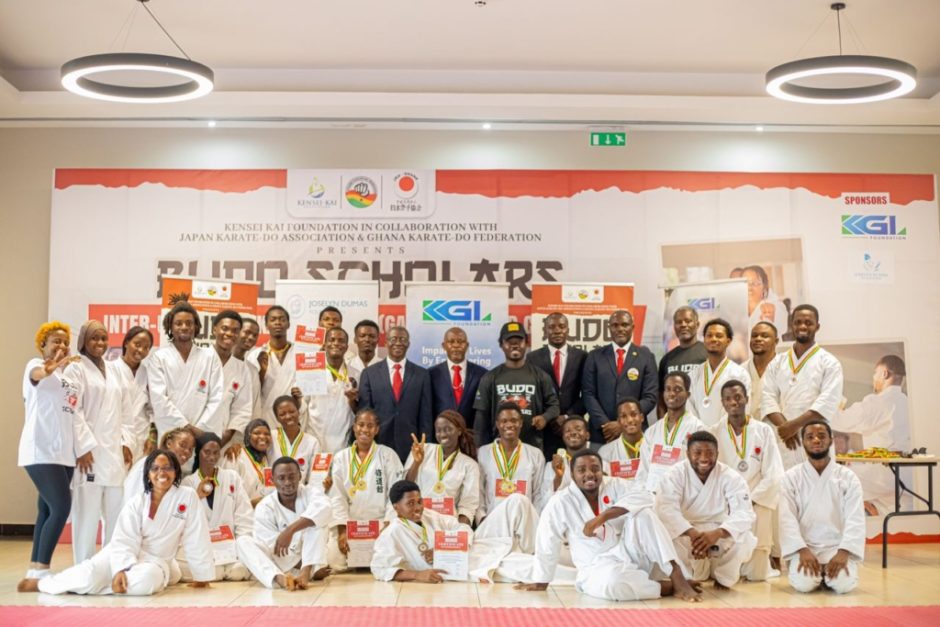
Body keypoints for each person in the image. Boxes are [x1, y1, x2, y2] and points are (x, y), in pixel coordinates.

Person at [519, 450, 703, 602]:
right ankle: (666, 587)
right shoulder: (561, 501)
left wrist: (604, 516)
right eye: (581, 470)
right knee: (612, 584)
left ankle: (677, 575)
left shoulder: (615, 485)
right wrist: (541, 580)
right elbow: (547, 538)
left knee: (644, 514)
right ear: (572, 475)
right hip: (596, 568)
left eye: (595, 469)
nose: (589, 474)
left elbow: (647, 496)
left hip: (630, 554)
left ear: (602, 471)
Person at [22, 450, 213, 596]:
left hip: (155, 561)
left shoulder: (187, 497)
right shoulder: (137, 501)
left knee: (147, 580)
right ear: (147, 475)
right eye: (155, 468)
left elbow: (196, 536)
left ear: (176, 471)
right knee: (89, 574)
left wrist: (201, 576)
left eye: (167, 468)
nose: (161, 473)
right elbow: (124, 538)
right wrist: (121, 568)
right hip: (122, 552)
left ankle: (104, 587)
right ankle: (44, 583)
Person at [371, 479, 542, 584]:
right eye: (410, 503)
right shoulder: (391, 533)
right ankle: (542, 559)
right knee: (533, 567)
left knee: (518, 500)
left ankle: (538, 550)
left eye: (419, 501)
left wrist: (443, 547)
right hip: (469, 566)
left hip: (474, 548)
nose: (418, 508)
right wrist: (417, 575)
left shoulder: (429, 515)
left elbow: (463, 528)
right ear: (396, 507)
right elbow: (379, 568)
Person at [17, 321, 84, 587]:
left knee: (45, 509)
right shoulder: (35, 365)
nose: (61, 345)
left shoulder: (68, 378)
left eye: (65, 341)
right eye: (55, 341)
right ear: (43, 344)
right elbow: (37, 374)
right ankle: (44, 568)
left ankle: (34, 570)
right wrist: (47, 368)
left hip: (64, 453)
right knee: (61, 507)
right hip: (41, 450)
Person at [65, 320, 134, 563]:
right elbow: (73, 411)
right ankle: (83, 566)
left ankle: (109, 565)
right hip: (89, 455)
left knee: (115, 514)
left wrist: (127, 443)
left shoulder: (115, 370)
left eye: (103, 338)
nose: (100, 343)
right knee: (87, 515)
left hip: (114, 454)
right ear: (83, 341)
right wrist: (82, 447)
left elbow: (127, 411)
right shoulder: (75, 369)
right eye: (94, 338)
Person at [655, 431, 756, 590]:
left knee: (746, 537)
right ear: (687, 454)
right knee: (666, 536)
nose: (704, 458)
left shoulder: (730, 476)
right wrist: (692, 533)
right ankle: (685, 579)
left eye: (710, 453)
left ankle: (724, 578)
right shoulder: (674, 475)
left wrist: (718, 533)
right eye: (697, 453)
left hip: (718, 532)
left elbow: (744, 513)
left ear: (717, 454)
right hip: (686, 532)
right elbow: (666, 510)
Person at [779, 420, 865, 594]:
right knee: (804, 585)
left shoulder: (848, 477)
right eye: (810, 437)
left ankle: (829, 575)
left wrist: (844, 552)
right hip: (805, 548)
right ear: (803, 442)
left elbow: (855, 518)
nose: (816, 440)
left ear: (831, 440)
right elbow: (786, 519)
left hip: (837, 547)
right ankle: (817, 574)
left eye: (821, 436)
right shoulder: (791, 477)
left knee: (843, 586)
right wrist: (802, 550)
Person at [714, 379, 784, 582]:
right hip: (727, 502)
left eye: (738, 397)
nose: (733, 402)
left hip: (756, 501)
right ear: (723, 403)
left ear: (746, 399)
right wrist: (732, 501)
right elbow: (712, 474)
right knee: (723, 571)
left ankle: (760, 564)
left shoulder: (764, 430)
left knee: (756, 575)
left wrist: (749, 500)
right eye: (728, 399)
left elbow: (774, 474)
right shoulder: (714, 431)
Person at [761, 304, 844, 470]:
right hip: (785, 438)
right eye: (798, 322)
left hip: (815, 436)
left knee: (817, 481)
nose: (802, 326)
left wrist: (793, 426)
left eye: (808, 322)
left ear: (817, 327)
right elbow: (767, 397)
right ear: (791, 325)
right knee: (784, 482)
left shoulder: (829, 362)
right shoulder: (777, 362)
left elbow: (827, 401)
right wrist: (785, 428)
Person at [831, 355, 911, 515]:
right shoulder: (907, 402)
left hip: (884, 475)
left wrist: (833, 403)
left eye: (875, 373)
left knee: (832, 480)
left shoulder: (879, 402)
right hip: (908, 476)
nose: (873, 378)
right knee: (896, 519)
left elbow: (839, 421)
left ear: (885, 373)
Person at [236, 457, 333, 589]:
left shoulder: (311, 493)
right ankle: (279, 579)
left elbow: (325, 509)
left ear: (300, 476)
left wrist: (290, 531)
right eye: (281, 478)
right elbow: (271, 546)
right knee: (242, 541)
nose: (287, 482)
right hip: (281, 564)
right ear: (272, 480)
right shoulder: (265, 506)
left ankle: (305, 574)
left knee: (317, 523)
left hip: (309, 562)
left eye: (291, 477)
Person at [328, 409, 404, 569]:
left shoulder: (388, 455)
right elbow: (337, 496)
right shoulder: (341, 457)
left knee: (391, 561)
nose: (365, 430)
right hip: (351, 523)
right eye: (361, 425)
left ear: (376, 430)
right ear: (354, 427)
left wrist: (387, 527)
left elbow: (396, 495)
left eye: (370, 426)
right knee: (335, 562)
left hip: (380, 521)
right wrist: (343, 530)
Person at [473, 321, 560, 453]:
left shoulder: (540, 376)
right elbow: (481, 416)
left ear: (527, 343)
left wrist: (545, 417)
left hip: (532, 448)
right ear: (501, 345)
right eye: (509, 341)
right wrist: (478, 446)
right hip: (498, 449)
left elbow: (554, 406)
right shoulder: (490, 377)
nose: (514, 345)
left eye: (519, 341)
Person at [180, 432, 254, 581]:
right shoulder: (188, 482)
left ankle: (227, 566)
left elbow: (244, 515)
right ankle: (215, 568)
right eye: (207, 452)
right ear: (198, 453)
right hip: (203, 546)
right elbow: (183, 519)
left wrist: (242, 543)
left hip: (230, 546)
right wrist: (197, 495)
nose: (212, 457)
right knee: (213, 571)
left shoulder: (231, 477)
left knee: (238, 571)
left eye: (216, 452)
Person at [147, 301, 223, 440]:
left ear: (196, 326)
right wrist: (185, 427)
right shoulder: (159, 358)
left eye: (189, 323)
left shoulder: (210, 357)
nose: (184, 327)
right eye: (178, 323)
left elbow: (217, 397)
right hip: (171, 433)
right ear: (170, 327)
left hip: (202, 434)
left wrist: (199, 430)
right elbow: (159, 399)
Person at [358, 326, 433, 462]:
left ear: (408, 344)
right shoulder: (369, 373)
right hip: (378, 443)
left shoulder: (422, 374)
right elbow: (365, 413)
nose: (398, 343)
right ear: (386, 343)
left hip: (411, 446)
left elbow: (425, 416)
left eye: (402, 339)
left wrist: (425, 445)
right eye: (393, 339)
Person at [582, 310, 658, 444]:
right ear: (609, 328)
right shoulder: (595, 356)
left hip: (635, 432)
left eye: (625, 325)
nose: (620, 329)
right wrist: (605, 425)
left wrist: (624, 423)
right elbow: (588, 394)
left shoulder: (646, 357)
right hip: (602, 433)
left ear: (632, 327)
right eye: (615, 325)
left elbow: (650, 396)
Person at [528, 313, 588, 459]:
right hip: (544, 429)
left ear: (568, 330)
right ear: (545, 330)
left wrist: (567, 417)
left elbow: (588, 393)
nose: (557, 331)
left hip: (573, 426)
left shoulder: (582, 356)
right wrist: (548, 417)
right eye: (552, 327)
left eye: (561, 326)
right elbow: (531, 395)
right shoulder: (532, 358)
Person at [404, 410, 481, 525]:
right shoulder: (422, 450)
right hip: (419, 519)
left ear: (459, 431)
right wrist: (416, 463)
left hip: (448, 523)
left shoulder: (469, 465)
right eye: (438, 430)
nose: (443, 434)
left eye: (448, 429)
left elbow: (468, 505)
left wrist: (459, 530)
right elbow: (405, 487)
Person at [636, 372, 705, 493]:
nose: (672, 393)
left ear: (688, 394)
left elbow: (700, 470)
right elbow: (643, 471)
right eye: (668, 389)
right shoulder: (652, 431)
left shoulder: (698, 429)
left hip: (682, 495)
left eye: (677, 389)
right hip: (652, 495)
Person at [477, 402, 546, 520]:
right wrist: (482, 518)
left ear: (521, 423)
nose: (509, 425)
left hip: (525, 520)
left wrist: (533, 521)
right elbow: (479, 491)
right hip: (492, 520)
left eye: (514, 420)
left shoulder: (535, 454)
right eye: (504, 421)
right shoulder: (483, 453)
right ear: (497, 424)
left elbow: (538, 493)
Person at [247, 305, 306, 432]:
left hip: (294, 416)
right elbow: (250, 392)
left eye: (282, 319)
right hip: (266, 416)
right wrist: (261, 373)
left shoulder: (302, 354)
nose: (278, 323)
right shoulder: (256, 355)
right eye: (273, 319)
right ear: (266, 325)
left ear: (288, 324)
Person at [688, 318, 750, 428]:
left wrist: (718, 431)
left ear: (728, 341)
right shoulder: (693, 374)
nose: (713, 339)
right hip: (698, 435)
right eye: (709, 335)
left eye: (719, 336)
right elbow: (689, 408)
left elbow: (742, 408)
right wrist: (699, 431)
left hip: (728, 433)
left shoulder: (740, 374)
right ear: (704, 340)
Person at [204, 310, 254, 450]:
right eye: (225, 328)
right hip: (192, 437)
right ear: (214, 329)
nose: (230, 334)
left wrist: (223, 440)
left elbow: (242, 408)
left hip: (222, 439)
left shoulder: (242, 369)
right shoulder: (197, 359)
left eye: (235, 330)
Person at [307, 327, 360, 453]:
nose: (336, 343)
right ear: (324, 345)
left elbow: (359, 411)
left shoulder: (356, 374)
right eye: (332, 340)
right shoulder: (311, 370)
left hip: (343, 440)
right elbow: (302, 405)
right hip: (314, 436)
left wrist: (352, 400)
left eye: (341, 341)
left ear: (346, 347)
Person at [428, 327, 486, 430]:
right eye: (451, 342)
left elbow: (483, 411)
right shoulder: (430, 374)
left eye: (460, 341)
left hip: (471, 435)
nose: (456, 345)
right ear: (444, 346)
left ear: (467, 346)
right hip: (441, 435)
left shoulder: (482, 374)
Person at [112, 325, 155, 459]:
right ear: (126, 343)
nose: (141, 350)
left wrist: (152, 437)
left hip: (142, 438)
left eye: (146, 347)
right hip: (116, 438)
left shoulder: (149, 373)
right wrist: (122, 441)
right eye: (137, 344)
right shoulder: (110, 369)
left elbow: (153, 408)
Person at [124, 427, 196, 505]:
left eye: (190, 449)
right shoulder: (148, 464)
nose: (187, 451)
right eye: (182, 445)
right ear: (169, 443)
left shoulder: (175, 474)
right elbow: (133, 499)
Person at [658, 306, 707, 417]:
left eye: (688, 321)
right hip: (675, 421)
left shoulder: (707, 354)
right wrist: (663, 423)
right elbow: (661, 398)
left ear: (697, 324)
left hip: (702, 418)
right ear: (674, 327)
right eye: (679, 322)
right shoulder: (667, 359)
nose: (683, 325)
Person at [536, 416, 590, 511]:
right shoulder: (551, 466)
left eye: (578, 429)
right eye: (568, 431)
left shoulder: (601, 464)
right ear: (563, 436)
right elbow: (543, 506)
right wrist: (558, 478)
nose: (573, 433)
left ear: (587, 435)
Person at [269, 395, 321, 483]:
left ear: (298, 412)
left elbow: (314, 477)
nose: (288, 416)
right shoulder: (270, 437)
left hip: (301, 489)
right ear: (277, 418)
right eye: (282, 414)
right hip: (273, 489)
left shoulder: (313, 442)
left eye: (292, 411)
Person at [223, 418, 275, 506]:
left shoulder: (264, 459)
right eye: (257, 433)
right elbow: (227, 492)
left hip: (261, 510)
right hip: (240, 511)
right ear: (248, 436)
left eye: (267, 434)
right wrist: (250, 504)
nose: (262, 437)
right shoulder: (235, 454)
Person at [598, 399, 645, 483]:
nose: (630, 420)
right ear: (619, 421)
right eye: (623, 416)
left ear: (642, 417)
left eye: (634, 414)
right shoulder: (605, 452)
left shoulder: (655, 446)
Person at [744, 321, 778, 420]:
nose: (758, 339)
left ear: (776, 341)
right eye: (754, 336)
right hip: (748, 427)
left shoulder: (784, 369)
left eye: (764, 336)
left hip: (777, 427)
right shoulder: (740, 371)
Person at [743, 265, 789, 336]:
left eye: (755, 283)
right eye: (745, 283)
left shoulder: (775, 305)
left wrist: (772, 318)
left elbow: (782, 328)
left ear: (764, 286)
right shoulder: (737, 310)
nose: (749, 288)